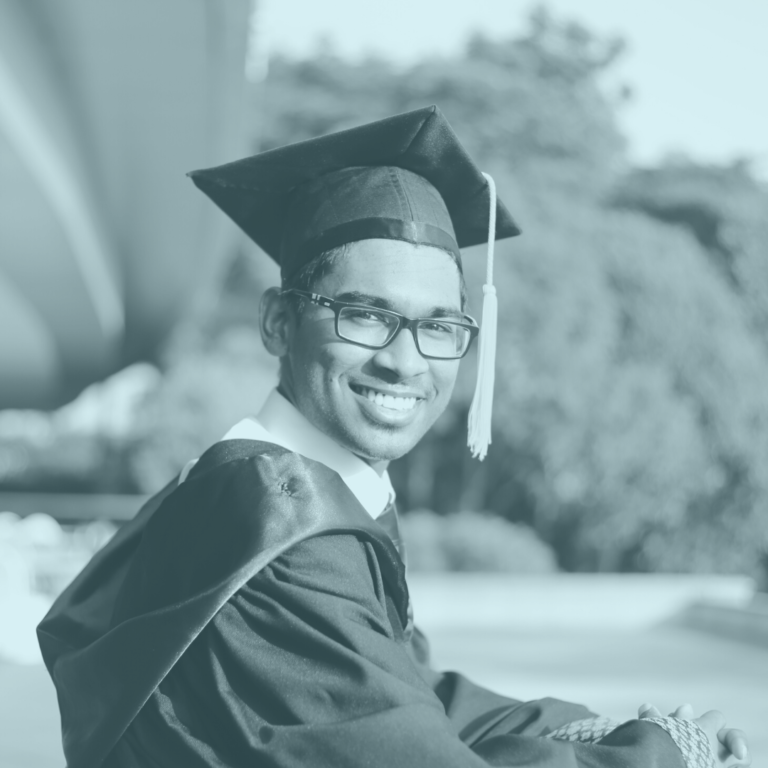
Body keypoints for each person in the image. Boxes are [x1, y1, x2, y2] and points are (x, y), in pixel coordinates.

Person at [38, 106, 750, 768]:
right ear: (279, 323)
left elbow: (416, 695)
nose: (406, 362)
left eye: (439, 326)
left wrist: (597, 730)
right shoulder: (279, 532)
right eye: (364, 315)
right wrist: (663, 750)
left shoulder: (305, 492)